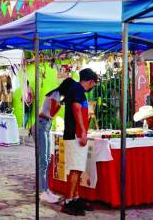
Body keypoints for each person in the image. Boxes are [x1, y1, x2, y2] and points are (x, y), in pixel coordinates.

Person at [62, 68, 98, 216]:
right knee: (75, 169)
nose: (93, 86)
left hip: (76, 134)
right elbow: (76, 109)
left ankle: (75, 197)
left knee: (77, 168)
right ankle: (69, 201)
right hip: (74, 135)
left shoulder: (77, 90)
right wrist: (82, 131)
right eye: (93, 84)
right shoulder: (77, 90)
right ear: (90, 82)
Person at [38, 78, 76, 203]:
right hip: (42, 125)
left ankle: (46, 189)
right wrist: (62, 104)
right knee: (43, 160)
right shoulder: (56, 94)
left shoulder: (56, 94)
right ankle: (42, 191)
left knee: (48, 159)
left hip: (46, 125)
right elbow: (53, 112)